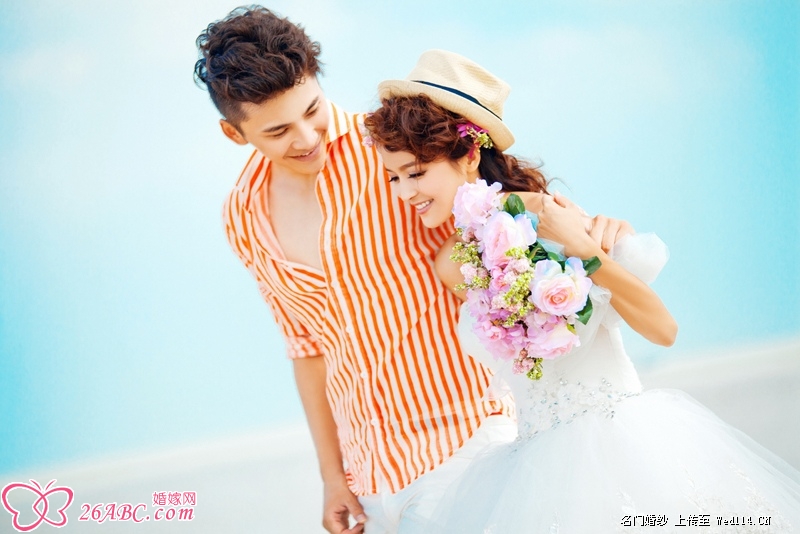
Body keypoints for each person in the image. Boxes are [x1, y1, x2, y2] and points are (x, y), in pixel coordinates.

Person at [194, 8, 631, 533]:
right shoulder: (243, 215)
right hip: (369, 479)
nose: (307, 137)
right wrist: (333, 478)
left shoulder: (392, 151)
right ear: (234, 133)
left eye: (312, 109)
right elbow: (307, 348)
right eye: (279, 130)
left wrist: (597, 229)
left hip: (466, 447)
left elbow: (504, 206)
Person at [364, 49, 800, 532]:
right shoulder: (452, 263)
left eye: (416, 172)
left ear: (468, 155)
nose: (404, 192)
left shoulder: (548, 217)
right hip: (531, 470)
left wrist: (587, 250)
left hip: (622, 445)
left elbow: (664, 329)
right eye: (393, 177)